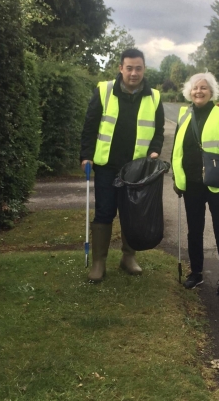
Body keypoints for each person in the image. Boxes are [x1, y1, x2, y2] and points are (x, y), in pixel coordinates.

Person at [80, 48, 164, 282]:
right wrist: (85, 155)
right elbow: (90, 125)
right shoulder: (104, 90)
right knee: (105, 212)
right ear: (121, 68)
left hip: (136, 169)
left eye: (138, 68)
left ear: (144, 69)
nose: (134, 73)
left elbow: (158, 131)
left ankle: (128, 258)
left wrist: (155, 151)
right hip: (106, 165)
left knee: (133, 214)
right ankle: (98, 263)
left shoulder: (154, 96)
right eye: (129, 68)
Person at [171, 72, 219, 296]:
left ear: (211, 92)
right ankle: (196, 273)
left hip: (218, 183)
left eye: (204, 88)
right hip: (192, 183)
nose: (199, 91)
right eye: (195, 88)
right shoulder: (184, 116)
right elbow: (177, 150)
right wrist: (177, 177)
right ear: (189, 91)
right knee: (194, 230)